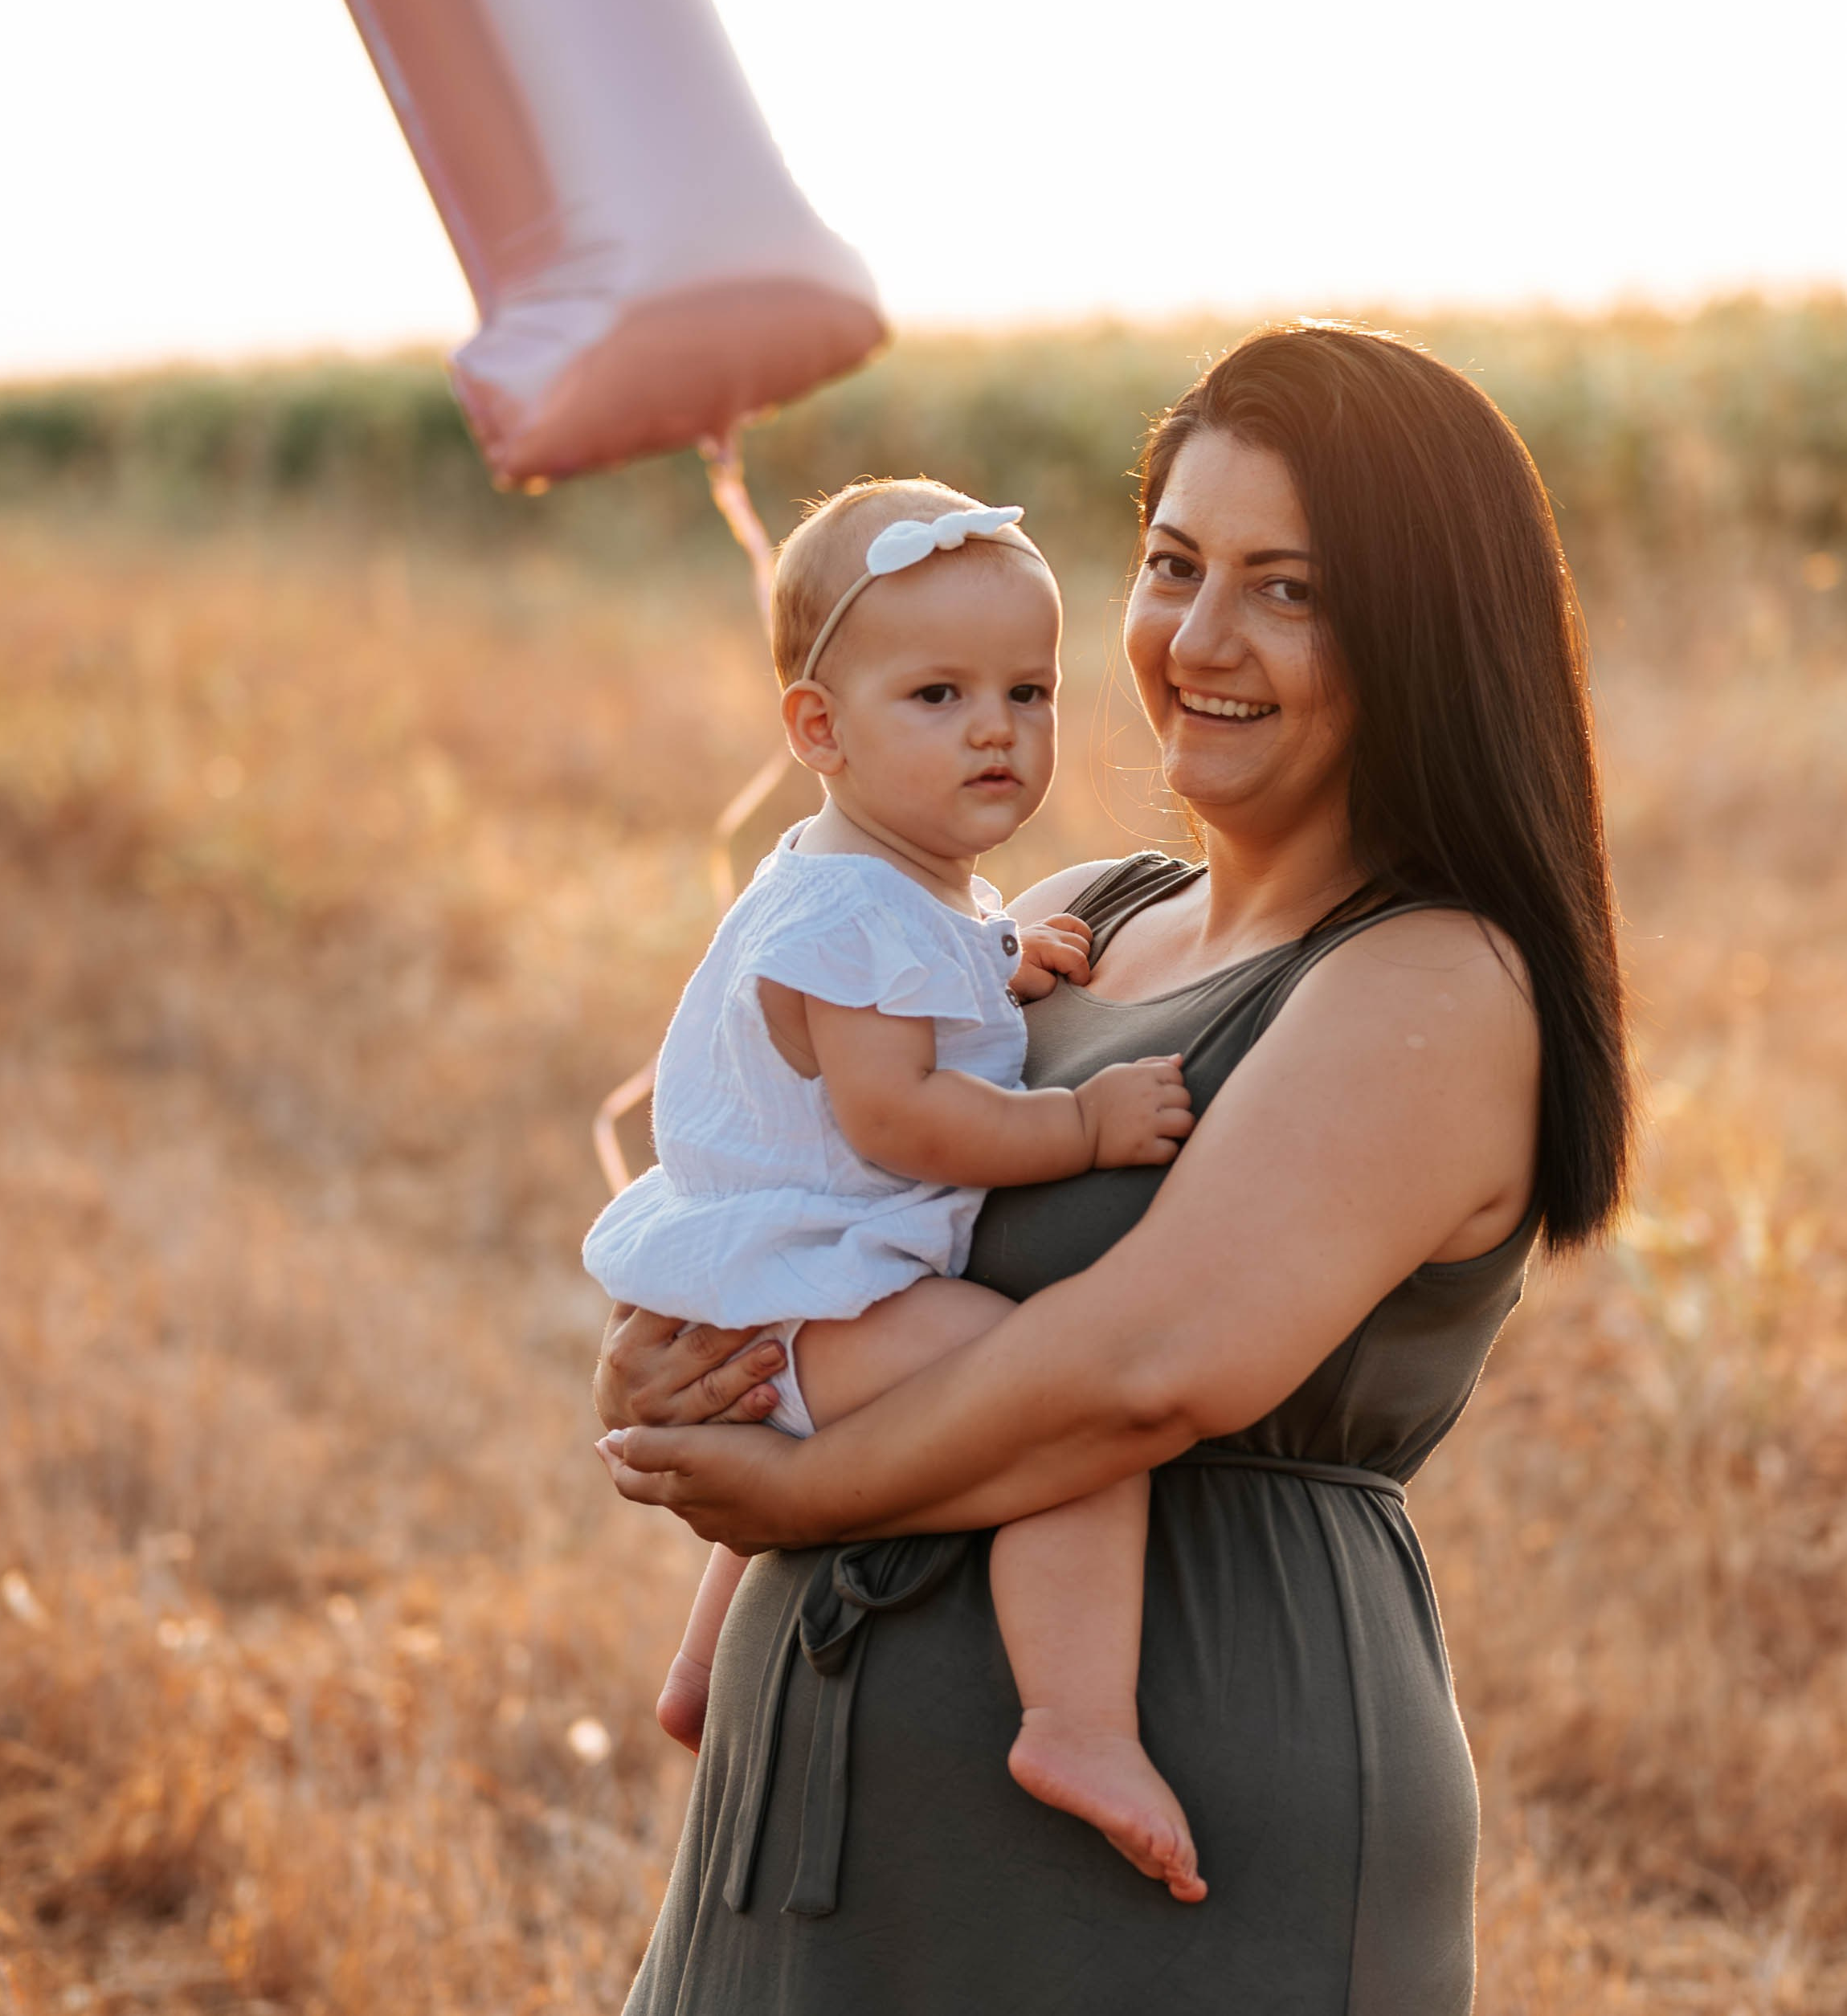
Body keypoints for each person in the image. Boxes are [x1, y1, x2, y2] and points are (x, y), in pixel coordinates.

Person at [597, 324, 1636, 2016]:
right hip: (828, 1823)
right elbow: (813, 1184)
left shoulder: (1433, 980)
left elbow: (1145, 1368)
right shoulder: (1073, 908)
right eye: (1171, 564)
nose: (1198, 638)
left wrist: (787, 1495)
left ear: (1421, 628)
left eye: (1285, 588)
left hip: (1177, 1851)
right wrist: (678, 1353)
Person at [584, 480, 1204, 1897]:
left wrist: (1003, 960)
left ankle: (697, 1674)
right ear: (818, 730)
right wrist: (1078, 1126)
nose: (997, 728)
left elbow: (925, 992)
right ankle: (1076, 1723)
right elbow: (900, 1112)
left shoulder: (880, 886)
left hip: (799, 1280)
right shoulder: (863, 915)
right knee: (1060, 1410)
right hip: (828, 1285)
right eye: (936, 694)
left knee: (1008, 1395)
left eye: (1028, 690)